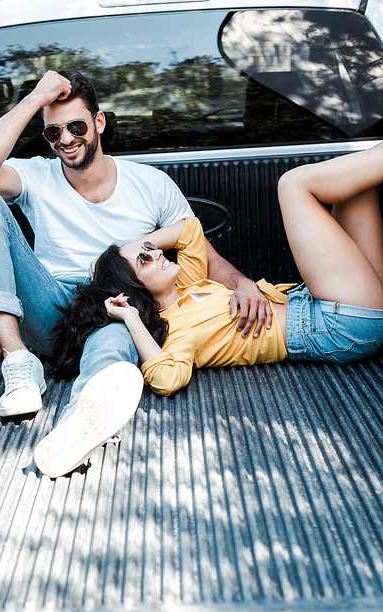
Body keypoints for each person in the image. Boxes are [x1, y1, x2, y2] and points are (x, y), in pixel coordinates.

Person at [34, 142, 383, 477]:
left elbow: (189, 230)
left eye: (151, 247)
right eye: (145, 260)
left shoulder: (187, 283)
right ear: (134, 290)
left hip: (316, 302)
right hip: (337, 324)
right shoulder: (177, 331)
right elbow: (167, 378)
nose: (156, 253)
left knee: (355, 187)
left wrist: (119, 252)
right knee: (293, 184)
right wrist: (130, 317)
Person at [0, 69, 270, 423]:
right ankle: (17, 363)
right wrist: (35, 99)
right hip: (52, 310)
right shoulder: (36, 175)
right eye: (53, 132)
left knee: (115, 340)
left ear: (99, 122)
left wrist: (244, 284)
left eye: (76, 127)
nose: (66, 139)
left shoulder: (150, 184)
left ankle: (82, 420)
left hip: (120, 312)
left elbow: (204, 254)